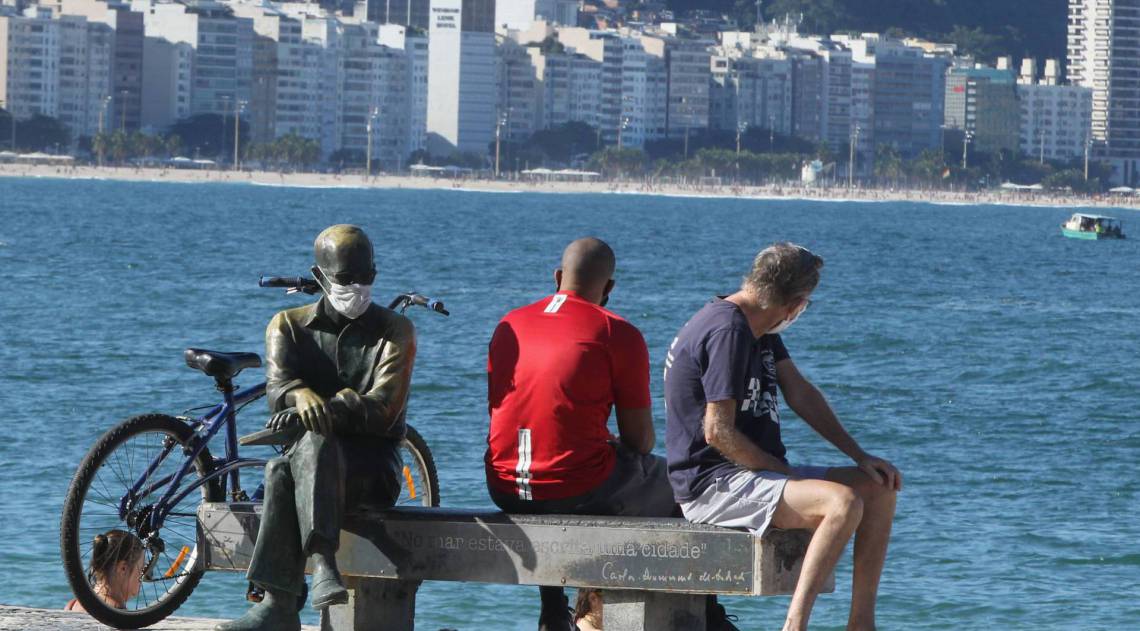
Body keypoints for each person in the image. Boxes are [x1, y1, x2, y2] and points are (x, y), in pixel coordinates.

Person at [664, 243, 902, 631]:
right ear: (795, 304)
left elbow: (801, 393)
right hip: (711, 483)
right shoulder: (728, 330)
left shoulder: (759, 325)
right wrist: (781, 472)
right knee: (841, 504)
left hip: (756, 474)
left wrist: (859, 456)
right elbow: (717, 432)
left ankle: (861, 623)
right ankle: (795, 625)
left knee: (879, 487)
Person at [217, 225, 416, 631]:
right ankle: (284, 601)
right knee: (279, 468)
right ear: (319, 275)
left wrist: (326, 406)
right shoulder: (286, 326)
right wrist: (296, 396)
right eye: (346, 279)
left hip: (372, 470)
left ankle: (298, 585)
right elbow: (277, 390)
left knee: (307, 445)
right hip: (309, 469)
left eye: (366, 277)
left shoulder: (396, 330)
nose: (358, 287)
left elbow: (384, 409)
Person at [485, 237, 675, 631]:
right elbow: (641, 441)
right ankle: (695, 616)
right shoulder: (616, 332)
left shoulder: (510, 323)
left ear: (557, 277)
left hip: (502, 486)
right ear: (609, 289)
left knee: (561, 473)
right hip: (575, 490)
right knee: (680, 487)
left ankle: (554, 608)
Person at [65, 529, 145, 612]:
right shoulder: (119, 615)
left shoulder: (72, 605)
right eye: (142, 569)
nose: (143, 575)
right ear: (123, 569)